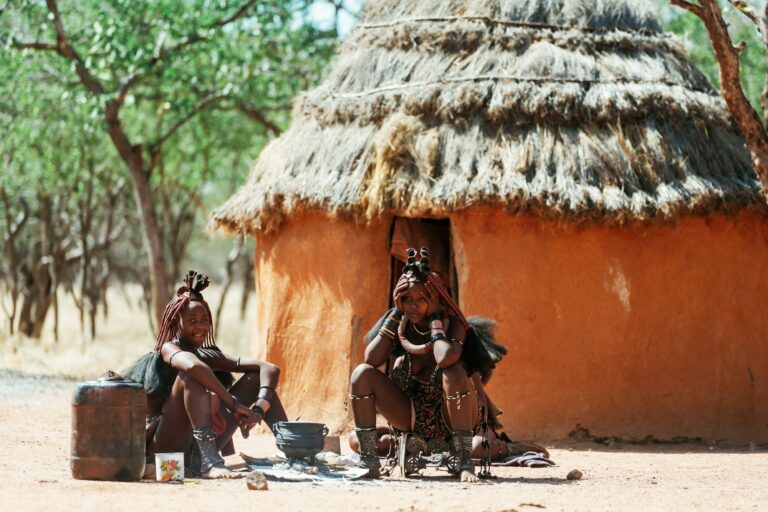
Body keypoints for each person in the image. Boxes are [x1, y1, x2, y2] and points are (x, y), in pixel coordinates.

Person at [348, 247, 511, 483]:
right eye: (407, 299)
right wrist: (395, 311)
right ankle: (370, 463)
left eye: (421, 299)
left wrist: (434, 318)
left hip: (453, 416)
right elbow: (371, 360)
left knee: (453, 371)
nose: (412, 305)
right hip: (412, 414)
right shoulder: (398, 322)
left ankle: (464, 462)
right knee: (361, 374)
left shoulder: (454, 324)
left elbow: (445, 358)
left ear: (435, 298)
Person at [123, 270, 288, 478]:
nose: (200, 326)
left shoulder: (206, 355)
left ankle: (294, 450)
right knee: (191, 375)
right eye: (192, 320)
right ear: (176, 323)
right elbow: (193, 368)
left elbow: (269, 368)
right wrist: (233, 404)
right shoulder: (168, 350)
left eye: (204, 320)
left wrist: (259, 409)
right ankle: (210, 462)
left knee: (255, 379)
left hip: (194, 453)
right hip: (166, 453)